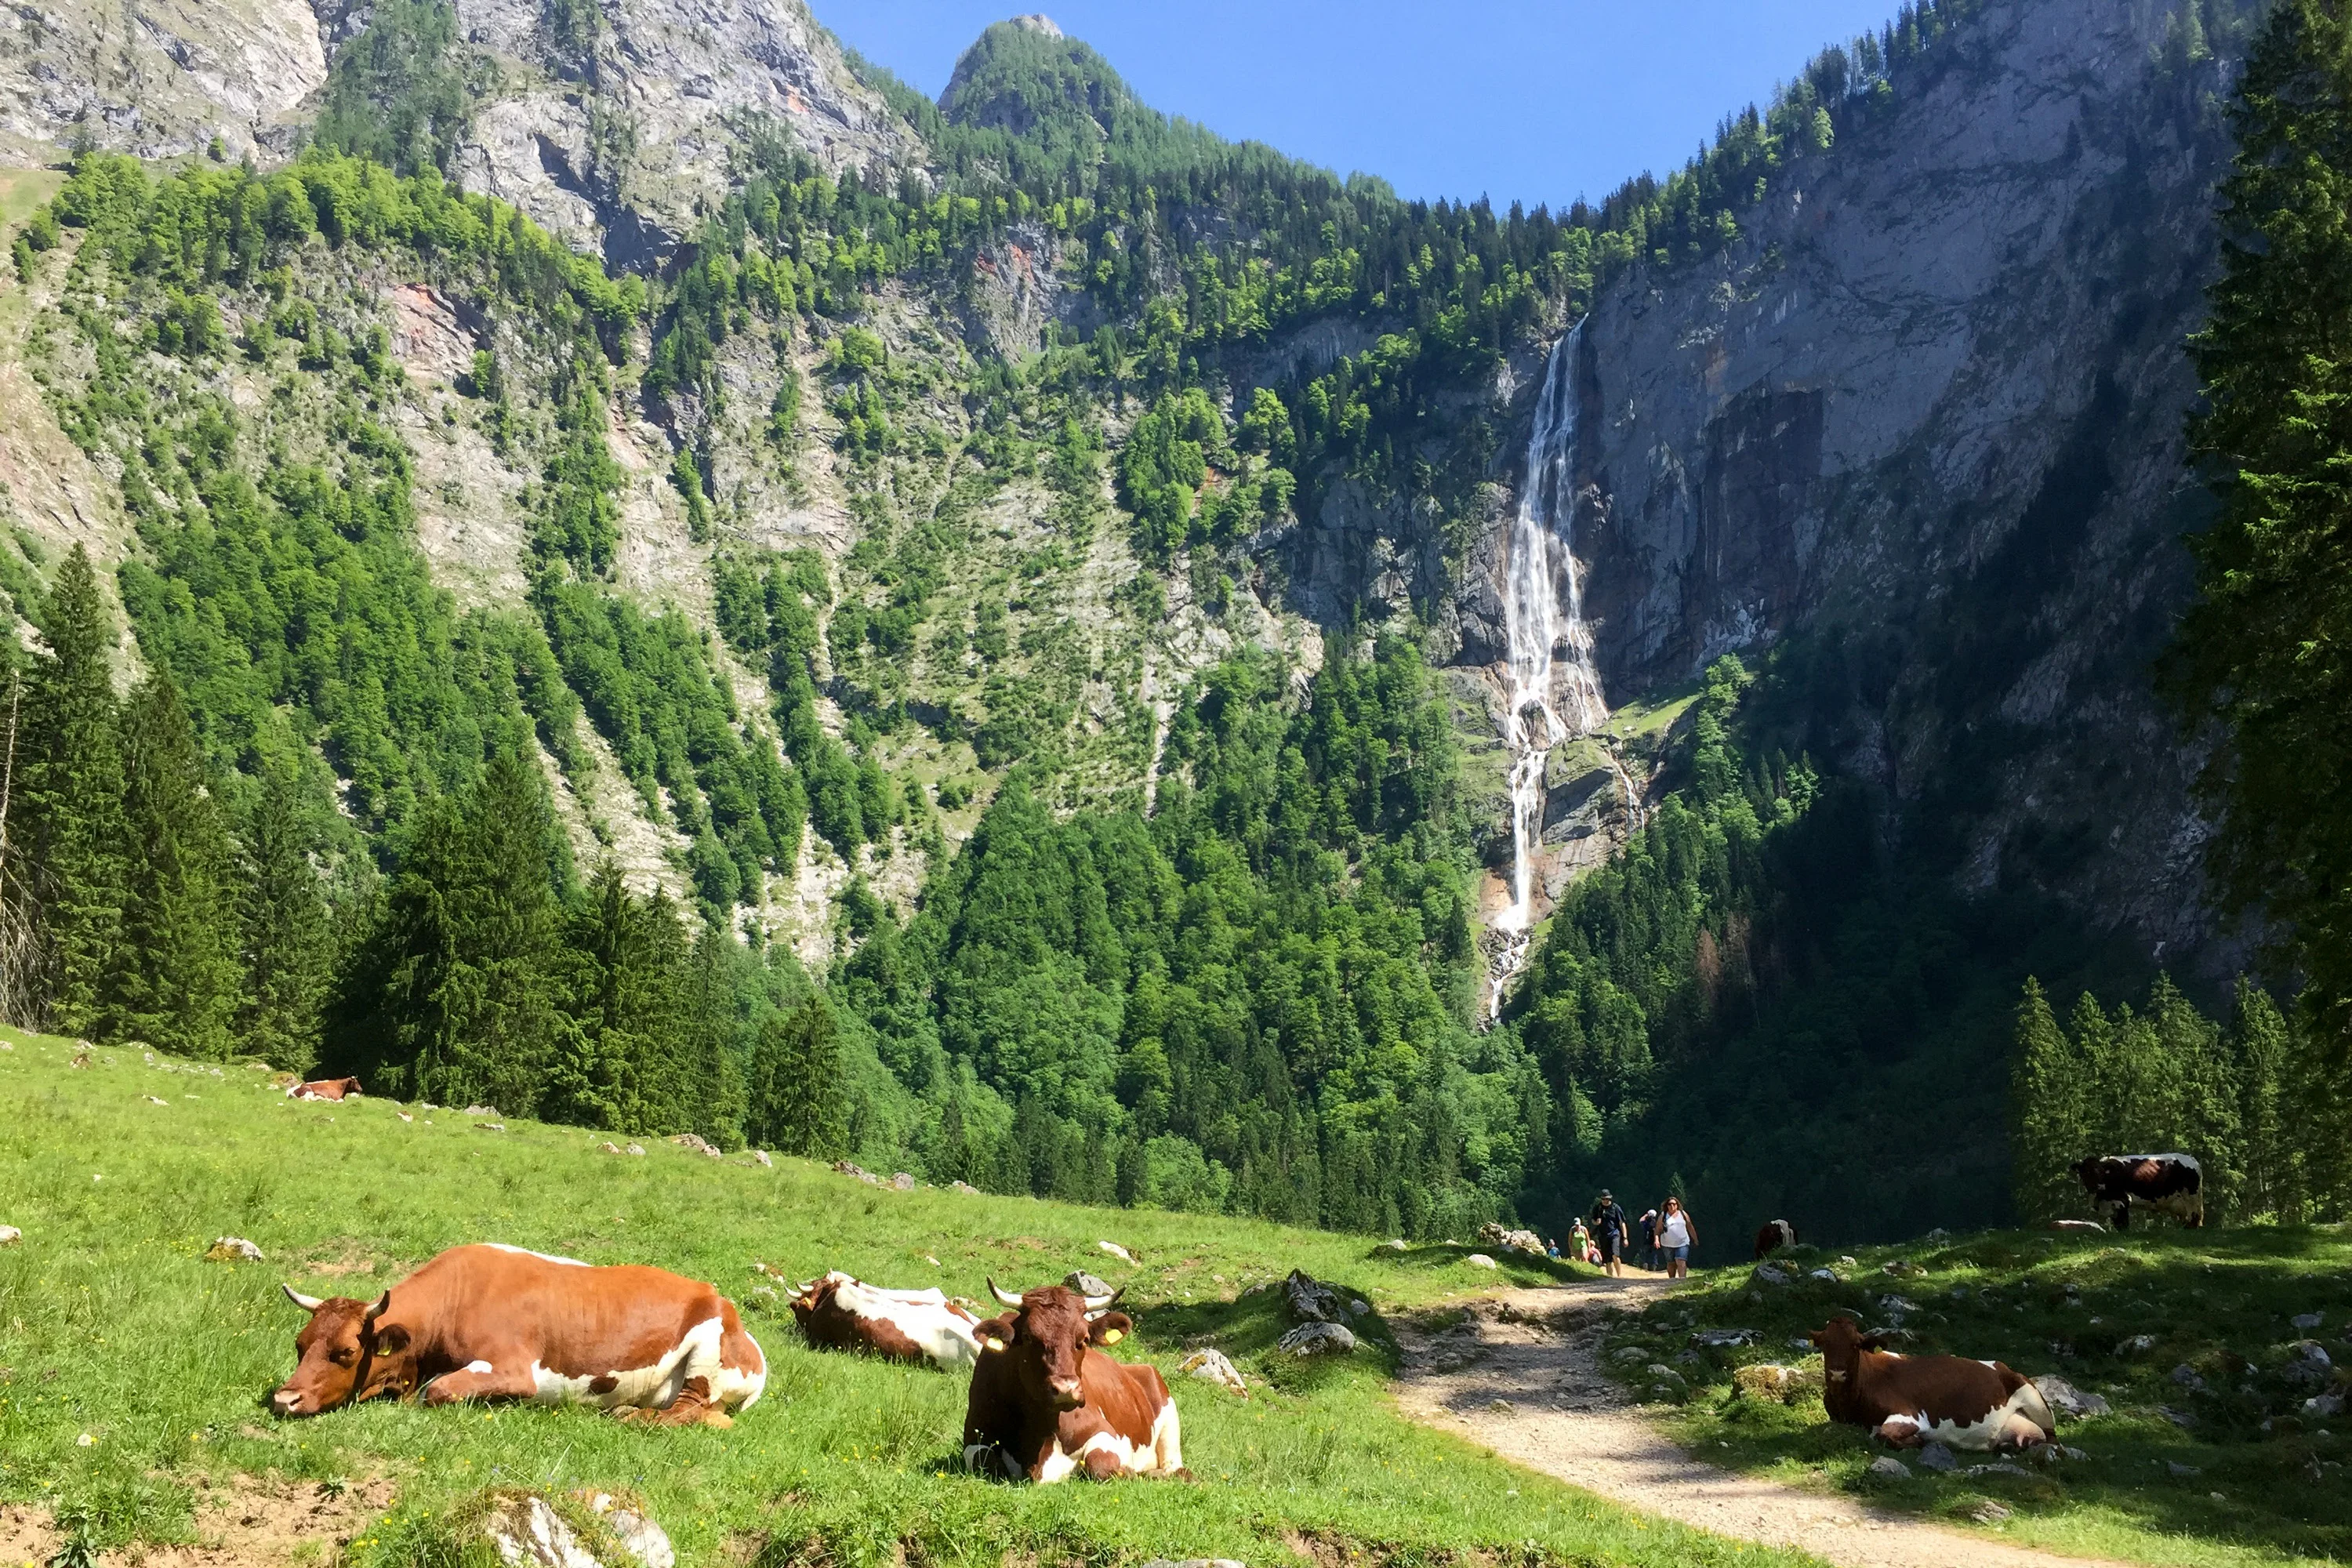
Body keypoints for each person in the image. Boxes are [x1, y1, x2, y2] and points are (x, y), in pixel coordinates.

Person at [1592, 1189, 1630, 1279]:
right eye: (1603, 1199)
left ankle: (1619, 1276)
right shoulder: (1598, 1208)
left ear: (1610, 1198)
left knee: (1615, 1254)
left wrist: (1625, 1237)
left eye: (1607, 1199)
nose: (1605, 1201)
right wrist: (1596, 1223)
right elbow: (1593, 1220)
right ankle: (1610, 1277)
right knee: (1607, 1258)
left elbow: (1622, 1223)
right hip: (1603, 1235)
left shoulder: (1615, 1208)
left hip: (1614, 1233)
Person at [1658, 1196, 1697, 1279]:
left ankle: (1682, 1280)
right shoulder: (1663, 1215)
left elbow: (1690, 1227)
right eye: (1670, 1204)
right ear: (1666, 1205)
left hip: (1683, 1242)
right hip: (1667, 1243)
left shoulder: (1683, 1214)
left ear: (1677, 1205)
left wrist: (1695, 1239)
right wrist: (1656, 1240)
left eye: (1674, 1204)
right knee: (1671, 1263)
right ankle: (1672, 1280)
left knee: (1681, 1261)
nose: (1672, 1206)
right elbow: (1658, 1230)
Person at [1638, 1208, 1662, 1272]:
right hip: (1654, 1241)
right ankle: (1654, 1266)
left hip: (1646, 1241)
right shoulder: (1656, 1223)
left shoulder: (1646, 1222)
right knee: (1654, 1254)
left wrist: (1646, 1215)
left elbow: (1640, 1221)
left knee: (1645, 1253)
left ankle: (1645, 1265)